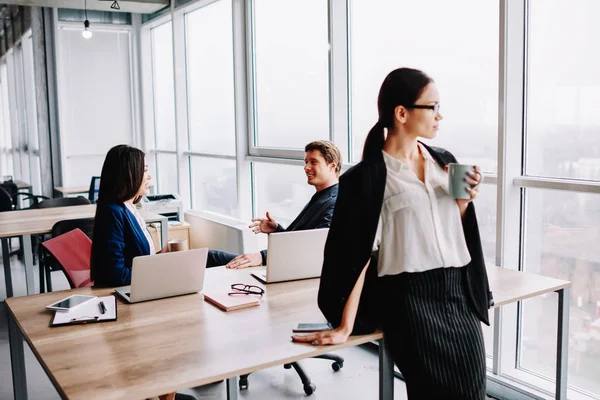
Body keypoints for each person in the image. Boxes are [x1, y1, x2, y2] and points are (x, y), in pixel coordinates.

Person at [292, 68, 494, 400]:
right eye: (432, 107)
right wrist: (345, 325)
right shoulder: (366, 178)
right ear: (401, 113)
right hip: (411, 302)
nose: (439, 115)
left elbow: (454, 229)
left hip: (459, 295)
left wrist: (463, 202)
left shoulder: (444, 161)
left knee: (473, 393)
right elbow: (355, 255)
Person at [90, 144, 195, 400]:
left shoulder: (129, 208)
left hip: (141, 294)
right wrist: (158, 269)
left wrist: (162, 258)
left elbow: (139, 259)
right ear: (129, 173)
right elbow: (113, 274)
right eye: (145, 170)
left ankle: (160, 392)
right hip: (127, 303)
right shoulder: (112, 213)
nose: (150, 176)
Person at [206, 140, 341, 269]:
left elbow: (314, 245)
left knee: (211, 257)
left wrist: (262, 257)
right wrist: (276, 229)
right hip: (280, 261)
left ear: (332, 166)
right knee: (210, 256)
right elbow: (295, 239)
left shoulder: (334, 202)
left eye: (313, 162)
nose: (306, 167)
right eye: (306, 162)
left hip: (286, 266)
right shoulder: (321, 197)